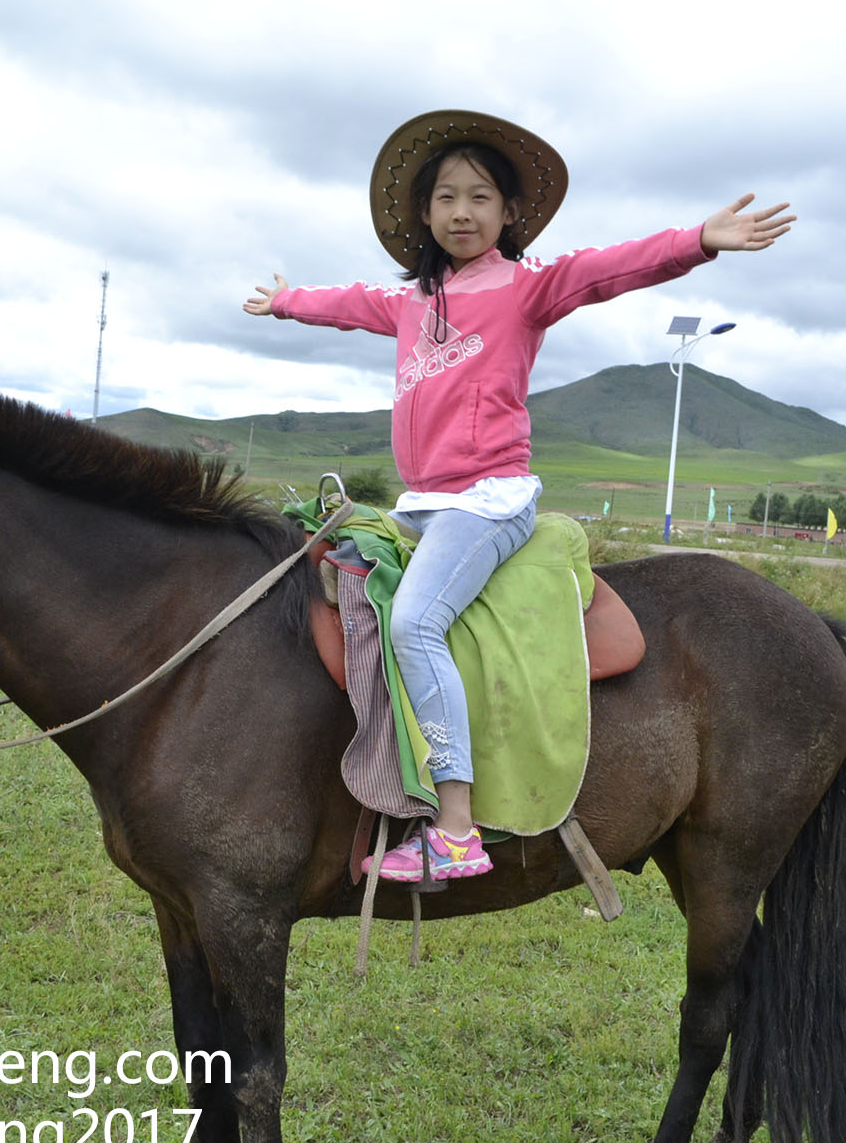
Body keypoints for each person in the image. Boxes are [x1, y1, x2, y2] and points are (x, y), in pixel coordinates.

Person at [243, 110, 792, 882]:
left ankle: (457, 830)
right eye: (445, 198)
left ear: (506, 214)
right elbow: (345, 304)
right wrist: (289, 300)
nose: (461, 212)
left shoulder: (525, 287)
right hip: (421, 502)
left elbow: (610, 268)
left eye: (479, 197)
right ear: (424, 214)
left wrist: (698, 241)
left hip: (489, 501)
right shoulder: (409, 304)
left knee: (417, 623)